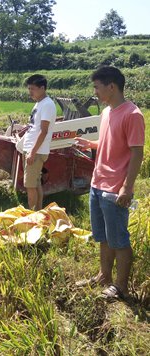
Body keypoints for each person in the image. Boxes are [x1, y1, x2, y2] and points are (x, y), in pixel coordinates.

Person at [75, 66, 145, 300]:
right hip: (97, 183)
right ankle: (104, 275)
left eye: (97, 87)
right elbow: (110, 141)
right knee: (104, 236)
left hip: (115, 187)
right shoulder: (106, 112)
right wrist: (91, 144)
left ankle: (121, 287)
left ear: (111, 86)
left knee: (119, 239)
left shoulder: (132, 114)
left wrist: (126, 187)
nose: (94, 92)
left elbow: (136, 153)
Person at [21, 74, 56, 211]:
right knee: (35, 184)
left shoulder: (47, 104)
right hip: (32, 149)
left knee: (30, 185)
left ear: (42, 88)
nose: (30, 92)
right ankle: (39, 213)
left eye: (33, 89)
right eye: (29, 89)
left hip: (36, 151)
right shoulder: (39, 103)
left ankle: (32, 215)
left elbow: (44, 131)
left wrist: (32, 152)